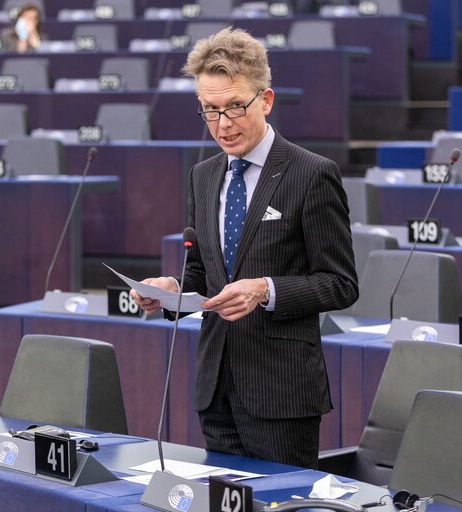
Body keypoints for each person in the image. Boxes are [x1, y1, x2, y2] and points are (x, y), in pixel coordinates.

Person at [130, 27, 358, 469]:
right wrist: (169, 287)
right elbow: (202, 274)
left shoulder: (311, 174)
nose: (223, 124)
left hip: (281, 392)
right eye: (210, 111)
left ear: (266, 100)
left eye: (235, 106)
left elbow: (340, 284)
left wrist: (265, 290)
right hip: (215, 387)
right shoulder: (203, 175)